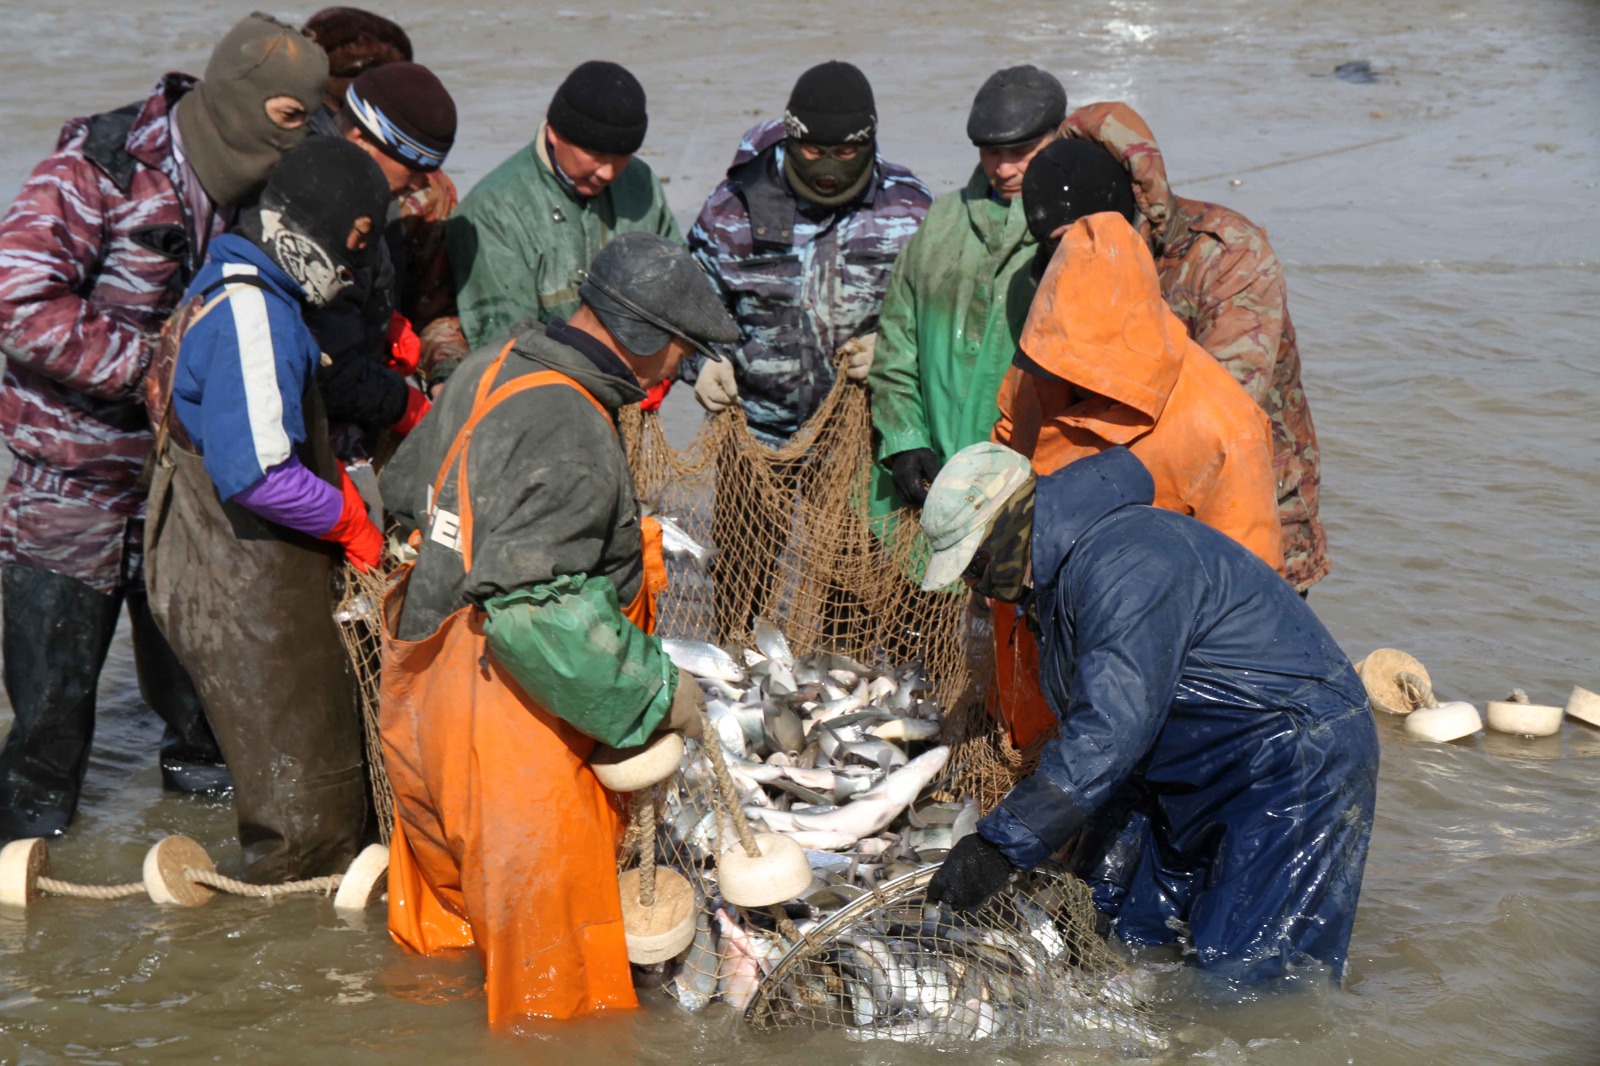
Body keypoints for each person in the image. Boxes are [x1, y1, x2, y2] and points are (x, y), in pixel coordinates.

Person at [376, 232, 737, 1026]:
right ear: (644, 336)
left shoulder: (491, 366)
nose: (678, 368)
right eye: (677, 347)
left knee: (443, 962)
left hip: (424, 713)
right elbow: (534, 615)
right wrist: (655, 691)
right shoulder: (570, 426)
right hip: (515, 742)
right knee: (558, 1008)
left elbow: (403, 495)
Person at [0, 13, 327, 839]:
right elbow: (18, 300)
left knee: (209, 721)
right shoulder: (98, 170)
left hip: (183, 496)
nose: (297, 137)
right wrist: (157, 365)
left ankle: (203, 915)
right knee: (47, 735)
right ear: (242, 97)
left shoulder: (266, 184)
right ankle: (33, 926)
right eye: (289, 116)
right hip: (66, 497)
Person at [919, 442, 1378, 986]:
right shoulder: (1056, 580)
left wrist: (999, 847)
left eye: (977, 565)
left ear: (1013, 526)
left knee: (1250, 981)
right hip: (1191, 765)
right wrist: (1093, 891)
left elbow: (1109, 735)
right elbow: (1123, 758)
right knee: (1133, 941)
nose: (976, 585)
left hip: (1292, 759)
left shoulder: (1124, 562)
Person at [142, 136, 389, 883]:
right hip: (241, 588)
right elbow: (260, 476)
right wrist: (353, 525)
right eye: (354, 243)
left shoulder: (228, 279)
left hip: (217, 565)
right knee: (304, 819)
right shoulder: (253, 314)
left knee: (287, 787)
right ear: (312, 225)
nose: (352, 269)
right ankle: (284, 971)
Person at [987, 211, 1282, 748]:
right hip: (1028, 643)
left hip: (1139, 671)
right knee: (1020, 768)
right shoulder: (1037, 369)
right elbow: (1005, 446)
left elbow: (1248, 610)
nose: (1055, 381)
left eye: (1076, 374)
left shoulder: (1223, 431)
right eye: (1049, 364)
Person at [1028, 102, 1330, 593]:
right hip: (1120, 514)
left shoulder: (1228, 254)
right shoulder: (1062, 263)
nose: (1071, 250)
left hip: (1250, 508)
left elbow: (1220, 415)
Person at [686, 60, 931, 636]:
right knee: (740, 590)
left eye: (845, 154)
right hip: (756, 434)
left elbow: (937, 316)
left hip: (858, 440)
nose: (827, 168)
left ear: (869, 143)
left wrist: (894, 347)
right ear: (791, 139)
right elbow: (693, 302)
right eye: (813, 151)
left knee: (853, 606)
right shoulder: (731, 209)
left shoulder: (911, 208)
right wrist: (703, 360)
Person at [868, 65, 1066, 512]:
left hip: (1031, 480)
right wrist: (904, 440)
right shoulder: (940, 222)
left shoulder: (1078, 232)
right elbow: (896, 345)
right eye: (991, 152)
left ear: (1060, 137)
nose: (1005, 167)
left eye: (1023, 150)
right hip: (930, 477)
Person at [446, 61, 679, 350]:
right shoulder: (494, 211)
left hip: (637, 382)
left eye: (622, 155)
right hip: (543, 384)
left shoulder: (641, 183)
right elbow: (503, 343)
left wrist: (699, 361)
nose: (607, 172)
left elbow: (677, 288)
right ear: (555, 133)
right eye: (595, 152)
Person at [304, 5, 471, 395]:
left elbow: (436, 311)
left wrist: (447, 377)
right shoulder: (290, 176)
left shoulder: (426, 193)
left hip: (378, 391)